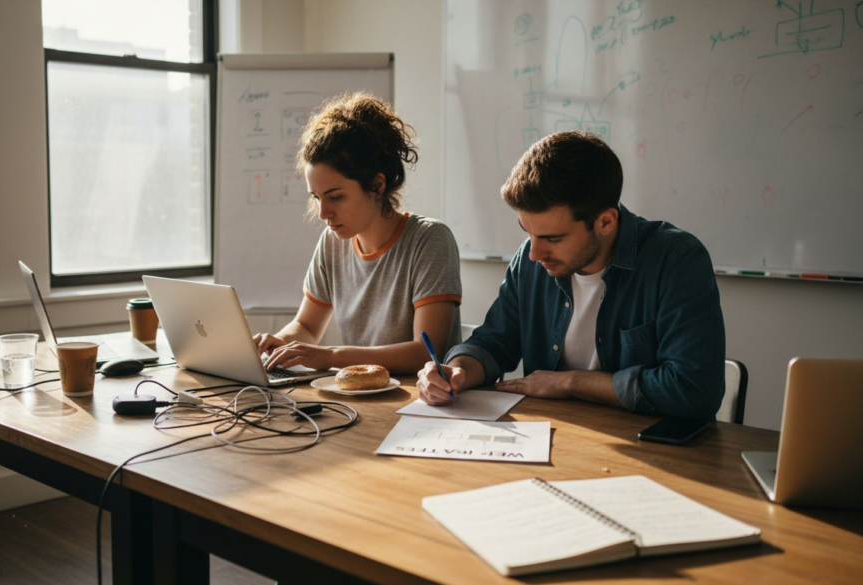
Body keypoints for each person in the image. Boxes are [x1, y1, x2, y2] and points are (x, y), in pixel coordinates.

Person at [417, 131, 725, 419]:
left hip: (647, 443)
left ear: (605, 222)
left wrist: (570, 382)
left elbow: (694, 390)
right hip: (555, 436)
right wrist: (456, 370)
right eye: (527, 232)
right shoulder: (530, 260)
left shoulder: (676, 260)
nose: (535, 253)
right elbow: (494, 342)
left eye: (552, 238)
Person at [254, 93, 462, 375]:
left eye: (335, 197)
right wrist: (279, 345)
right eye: (316, 197)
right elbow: (306, 327)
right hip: (359, 394)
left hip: (421, 397)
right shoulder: (331, 242)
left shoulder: (430, 240)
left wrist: (331, 356)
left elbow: (425, 353)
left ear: (377, 186)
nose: (323, 213)